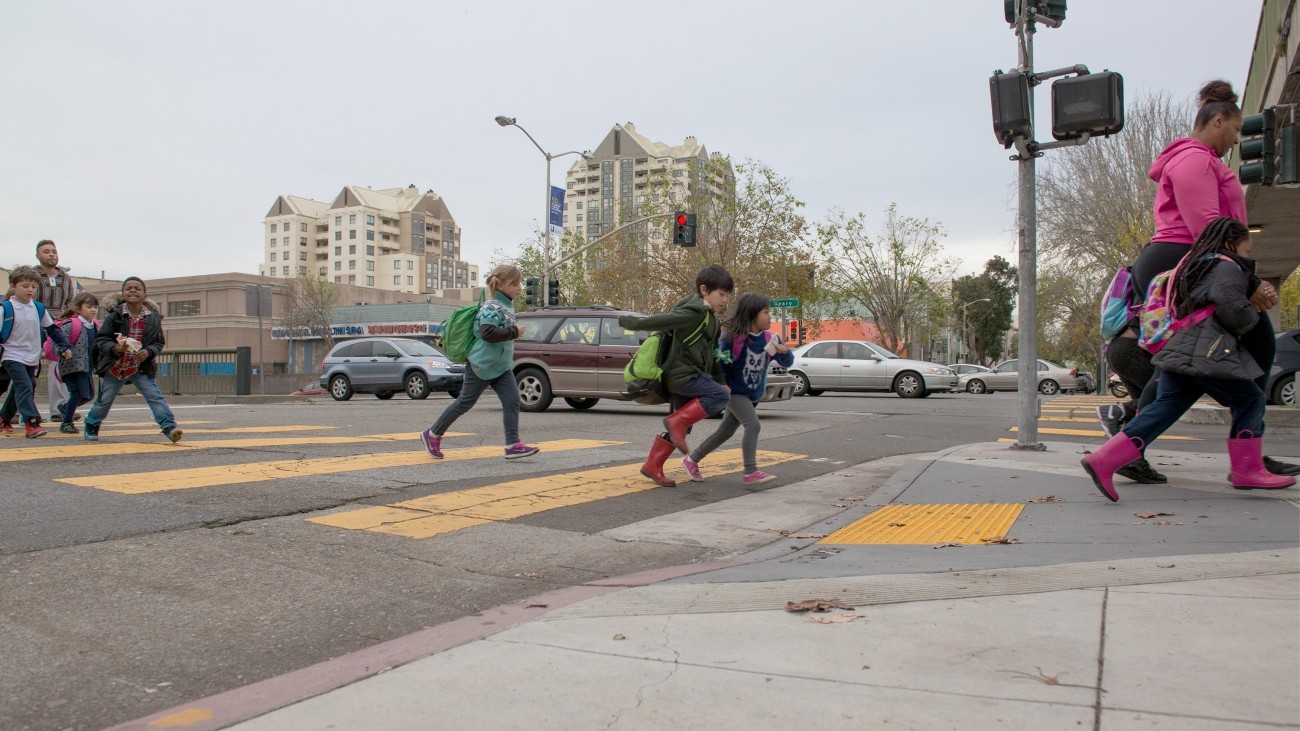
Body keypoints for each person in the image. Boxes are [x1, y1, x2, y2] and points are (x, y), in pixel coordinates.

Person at [1100, 80, 1296, 476]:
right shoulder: (1194, 160)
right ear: (1218, 119)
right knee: (1248, 346)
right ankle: (1243, 456)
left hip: (1194, 261)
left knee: (1187, 366)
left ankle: (1128, 442)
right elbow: (1206, 225)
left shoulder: (1202, 159)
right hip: (1189, 260)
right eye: (1235, 130)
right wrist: (1246, 278)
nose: (1235, 140)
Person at [1082, 218, 1295, 501]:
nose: (1246, 257)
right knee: (1251, 399)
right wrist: (1249, 316)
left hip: (1180, 347)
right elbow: (1229, 305)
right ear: (1231, 244)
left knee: (1164, 408)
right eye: (1246, 250)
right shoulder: (1226, 266)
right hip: (1206, 352)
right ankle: (1247, 468)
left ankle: (1104, 460)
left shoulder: (1193, 265)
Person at [617, 264, 735, 487]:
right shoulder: (695, 312)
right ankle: (675, 424)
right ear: (703, 290)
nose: (725, 299)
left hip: (686, 376)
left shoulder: (712, 321)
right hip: (683, 376)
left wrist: (721, 380)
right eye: (721, 294)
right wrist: (635, 323)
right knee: (718, 398)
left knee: (684, 425)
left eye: (727, 295)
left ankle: (653, 465)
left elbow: (712, 354)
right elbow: (664, 319)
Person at [420, 264, 538, 460]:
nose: (519, 288)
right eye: (515, 284)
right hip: (481, 364)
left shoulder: (507, 304)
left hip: (501, 366)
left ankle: (513, 445)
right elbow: (487, 333)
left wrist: (512, 333)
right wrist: (514, 332)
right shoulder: (492, 306)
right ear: (501, 285)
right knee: (464, 403)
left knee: (512, 401)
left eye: (519, 284)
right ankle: (432, 434)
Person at [682, 293, 794, 485]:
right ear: (752, 315)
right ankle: (750, 471)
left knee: (724, 432)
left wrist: (785, 352)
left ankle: (691, 459)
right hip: (734, 391)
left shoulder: (770, 339)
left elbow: (787, 362)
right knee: (753, 425)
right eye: (766, 312)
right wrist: (721, 384)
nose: (769, 316)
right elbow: (719, 365)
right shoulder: (733, 339)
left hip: (752, 395)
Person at [83, 277, 183, 443]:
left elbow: (158, 342)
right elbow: (101, 340)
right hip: (115, 366)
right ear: (123, 294)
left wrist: (148, 351)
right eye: (128, 288)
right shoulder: (115, 316)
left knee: (155, 397)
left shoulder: (153, 318)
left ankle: (169, 427)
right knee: (104, 400)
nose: (133, 291)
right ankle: (92, 424)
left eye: (137, 288)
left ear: (145, 295)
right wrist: (116, 348)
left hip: (139, 367)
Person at [0, 266, 72, 438]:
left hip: (31, 356)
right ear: (13, 286)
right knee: (24, 385)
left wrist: (65, 345)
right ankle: (32, 422)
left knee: (25, 385)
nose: (30, 289)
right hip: (11, 355)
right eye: (25, 286)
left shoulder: (38, 308)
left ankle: (3, 418)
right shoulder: (5, 308)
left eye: (33, 286)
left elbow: (52, 329)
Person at [35, 240, 79, 422]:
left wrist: (68, 321)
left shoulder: (66, 278)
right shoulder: (32, 276)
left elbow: (71, 301)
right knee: (28, 366)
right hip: (35, 323)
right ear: (38, 256)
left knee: (58, 366)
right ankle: (18, 410)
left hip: (59, 325)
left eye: (54, 251)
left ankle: (59, 408)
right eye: (46, 251)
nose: (51, 254)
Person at [53, 292, 100, 433]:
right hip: (71, 366)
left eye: (96, 307)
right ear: (78, 309)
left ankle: (65, 408)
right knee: (77, 393)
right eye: (89, 306)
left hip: (86, 367)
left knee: (88, 395)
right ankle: (67, 422)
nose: (93, 310)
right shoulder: (71, 324)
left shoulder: (95, 326)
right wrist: (63, 351)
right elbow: (58, 340)